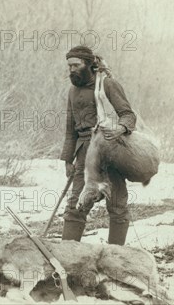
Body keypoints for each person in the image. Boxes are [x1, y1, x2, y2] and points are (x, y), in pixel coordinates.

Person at [60, 46, 136, 245]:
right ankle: (68, 256)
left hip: (109, 150)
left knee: (117, 204)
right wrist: (68, 160)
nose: (72, 70)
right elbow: (70, 129)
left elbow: (128, 115)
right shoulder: (73, 91)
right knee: (76, 205)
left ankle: (115, 255)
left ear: (88, 64)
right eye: (69, 66)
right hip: (84, 155)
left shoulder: (107, 84)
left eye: (76, 65)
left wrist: (120, 129)